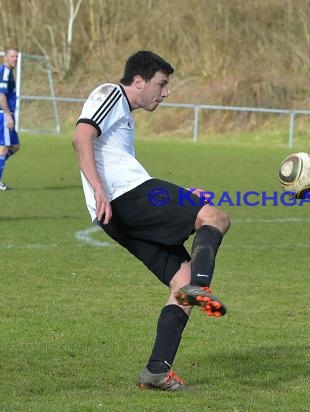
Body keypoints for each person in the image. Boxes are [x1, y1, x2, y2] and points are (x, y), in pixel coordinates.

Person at [72, 50, 231, 391]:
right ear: (139, 81)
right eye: (161, 84)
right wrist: (100, 189)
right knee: (215, 217)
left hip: (116, 210)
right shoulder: (110, 93)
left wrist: (180, 195)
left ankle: (156, 370)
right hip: (122, 197)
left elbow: (116, 162)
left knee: (181, 279)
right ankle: (201, 285)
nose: (165, 92)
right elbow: (81, 137)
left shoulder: (123, 117)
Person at [0, 47, 20, 191]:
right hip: (3, 114)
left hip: (5, 114)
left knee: (14, 146)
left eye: (17, 57)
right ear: (5, 57)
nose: (15, 59)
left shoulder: (8, 72)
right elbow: (1, 95)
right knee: (4, 148)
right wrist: (8, 115)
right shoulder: (5, 72)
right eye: (13, 56)